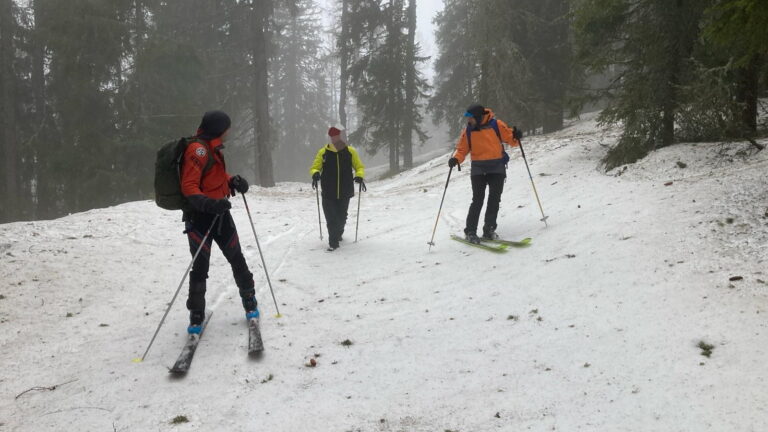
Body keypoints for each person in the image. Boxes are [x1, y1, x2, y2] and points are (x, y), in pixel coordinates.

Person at [180, 110, 258, 333]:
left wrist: (232, 181)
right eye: (227, 127)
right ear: (219, 129)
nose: (229, 131)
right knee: (200, 267)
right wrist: (208, 204)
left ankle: (249, 300)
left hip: (220, 214)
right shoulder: (199, 149)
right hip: (200, 218)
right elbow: (189, 185)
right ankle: (196, 315)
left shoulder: (211, 147)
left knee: (236, 257)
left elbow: (214, 176)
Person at [448, 104, 523, 244]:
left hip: (497, 167)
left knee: (494, 199)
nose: (468, 121)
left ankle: (489, 229)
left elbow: (511, 140)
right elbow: (462, 150)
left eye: (470, 118)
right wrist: (456, 159)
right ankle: (470, 231)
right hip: (478, 169)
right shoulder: (468, 131)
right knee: (477, 200)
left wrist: (517, 136)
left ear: (478, 116)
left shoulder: (496, 125)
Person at [309, 127, 366, 251]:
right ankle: (333, 242)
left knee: (341, 217)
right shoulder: (323, 152)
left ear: (340, 136)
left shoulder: (350, 151)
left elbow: (359, 167)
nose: (334, 138)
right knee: (331, 218)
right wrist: (315, 173)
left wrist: (359, 176)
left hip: (345, 191)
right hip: (328, 191)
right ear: (330, 137)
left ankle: (338, 233)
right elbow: (315, 167)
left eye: (336, 135)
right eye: (332, 136)